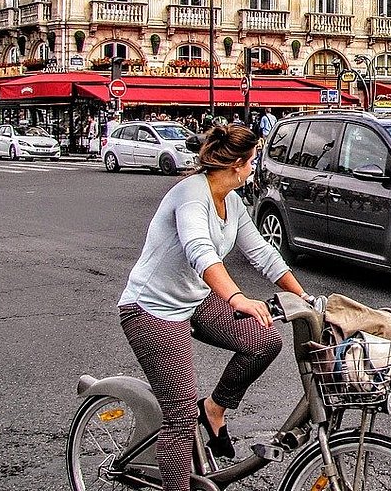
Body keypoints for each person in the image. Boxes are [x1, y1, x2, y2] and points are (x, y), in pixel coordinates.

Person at [117, 124, 312, 491]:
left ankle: (216, 409)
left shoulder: (232, 201)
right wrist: (237, 298)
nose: (255, 168)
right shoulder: (192, 195)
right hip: (151, 310)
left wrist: (303, 297)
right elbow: (200, 251)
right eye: (253, 161)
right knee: (179, 414)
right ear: (237, 164)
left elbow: (263, 254)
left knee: (263, 341)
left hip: (194, 299)